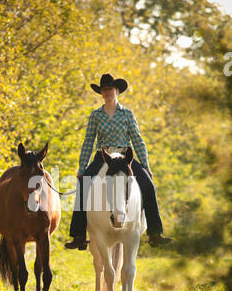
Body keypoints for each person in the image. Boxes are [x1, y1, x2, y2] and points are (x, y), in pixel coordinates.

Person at [64, 73, 172, 250]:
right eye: (104, 90)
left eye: (110, 89)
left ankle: (154, 233)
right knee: (83, 184)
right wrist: (82, 168)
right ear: (101, 93)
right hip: (103, 157)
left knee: (148, 185)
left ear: (116, 91)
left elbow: (137, 139)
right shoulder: (95, 115)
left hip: (124, 157)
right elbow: (88, 142)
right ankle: (79, 235)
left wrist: (145, 165)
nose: (107, 92)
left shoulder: (127, 114)